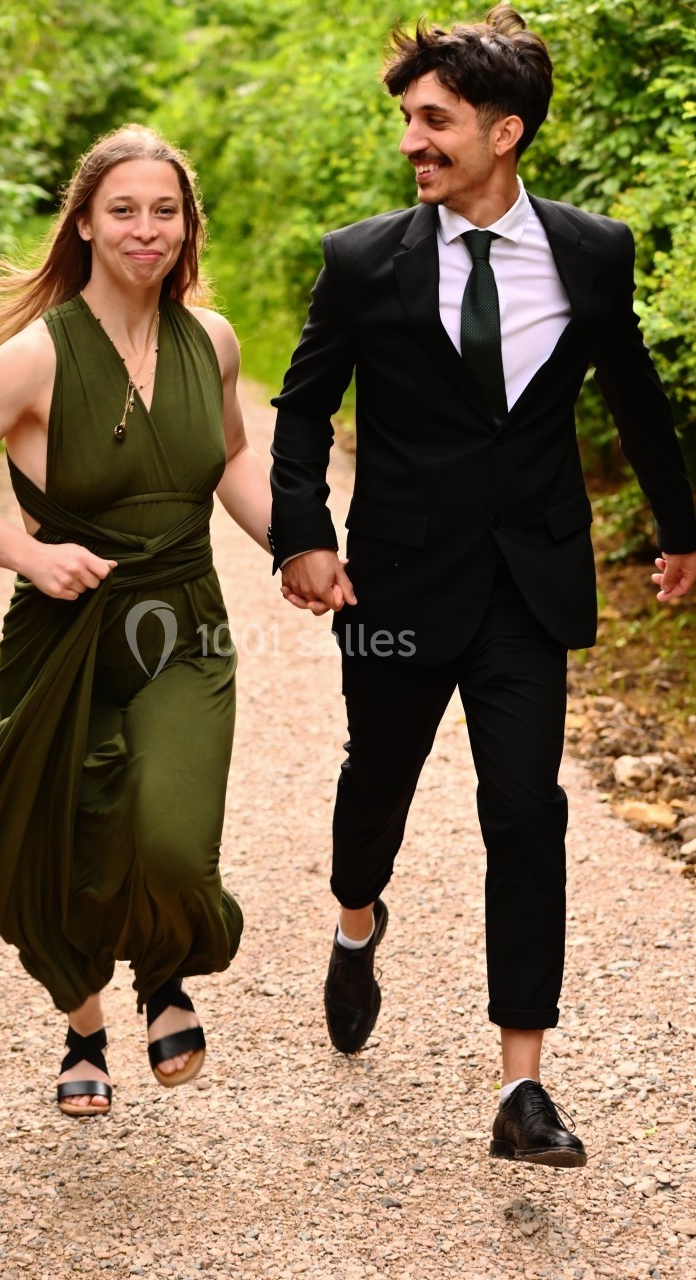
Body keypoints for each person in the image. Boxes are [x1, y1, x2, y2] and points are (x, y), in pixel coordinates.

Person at [269, 4, 696, 1167]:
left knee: (526, 812)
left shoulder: (591, 250)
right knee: (379, 785)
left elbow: (634, 395)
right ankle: (356, 920)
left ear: (503, 133)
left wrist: (680, 525)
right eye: (407, 119)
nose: (411, 140)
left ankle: (523, 1085)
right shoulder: (364, 260)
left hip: (525, 579)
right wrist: (301, 534)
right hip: (395, 589)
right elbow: (302, 409)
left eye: (434, 120)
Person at [0, 124, 271, 1116]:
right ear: (87, 225)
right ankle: (85, 1025)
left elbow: (229, 457)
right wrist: (27, 550)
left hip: (188, 620)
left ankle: (166, 970)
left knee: (173, 839)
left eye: (165, 210)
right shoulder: (35, 359)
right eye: (123, 210)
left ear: (187, 225)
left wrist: (298, 543)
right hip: (67, 633)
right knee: (73, 835)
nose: (146, 228)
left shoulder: (213, 340)